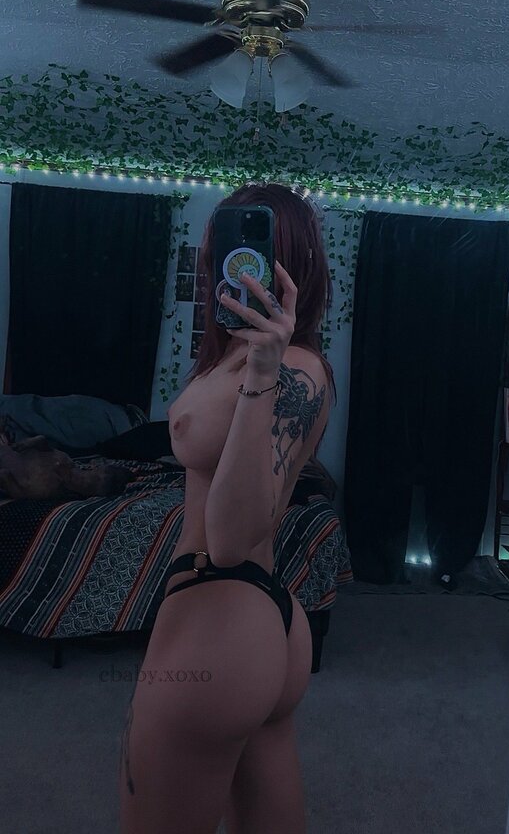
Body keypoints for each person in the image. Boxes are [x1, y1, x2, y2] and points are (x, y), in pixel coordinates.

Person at [119, 183, 336, 834]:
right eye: (219, 250)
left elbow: (235, 536)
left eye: (246, 252)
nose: (223, 265)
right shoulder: (240, 353)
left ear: (287, 266)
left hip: (219, 615)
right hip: (256, 620)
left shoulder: (292, 367)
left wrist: (263, 371)